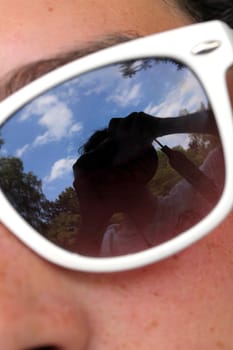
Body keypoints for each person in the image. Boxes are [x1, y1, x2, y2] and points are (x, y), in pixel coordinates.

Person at [0, 1, 232, 349]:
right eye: (99, 163)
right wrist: (92, 216)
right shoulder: (102, 242)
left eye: (112, 154)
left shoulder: (207, 182)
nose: (8, 330)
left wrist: (166, 124)